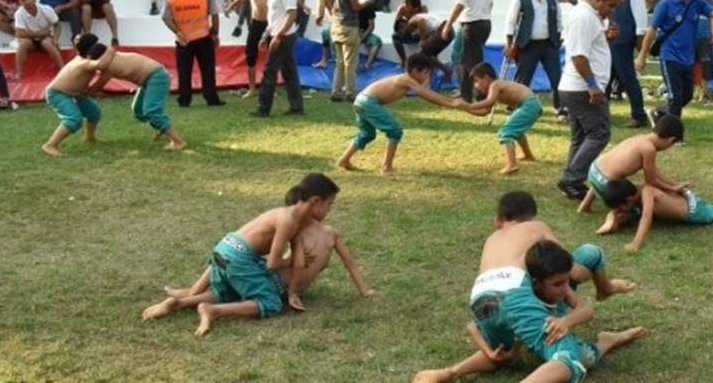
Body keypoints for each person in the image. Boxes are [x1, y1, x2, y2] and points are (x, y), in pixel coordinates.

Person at [413, 232, 642, 383]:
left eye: (566, 282)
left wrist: (565, 321)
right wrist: (486, 350)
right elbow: (472, 326)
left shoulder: (560, 287)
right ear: (534, 283)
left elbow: (585, 309)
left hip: (551, 324)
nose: (564, 289)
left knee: (583, 356)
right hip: (535, 327)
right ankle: (450, 372)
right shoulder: (522, 296)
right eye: (557, 284)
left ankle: (606, 341)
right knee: (502, 356)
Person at [140, 174, 343, 335]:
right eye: (330, 204)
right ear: (316, 201)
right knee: (271, 303)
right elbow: (272, 264)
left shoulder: (280, 212)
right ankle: (212, 311)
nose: (330, 209)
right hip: (239, 258)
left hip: (224, 248)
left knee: (227, 293)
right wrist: (288, 261)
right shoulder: (289, 221)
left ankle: (179, 303)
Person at [336, 53, 462, 175]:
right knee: (395, 131)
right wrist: (451, 104)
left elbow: (428, 93)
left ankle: (344, 160)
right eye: (425, 73)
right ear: (414, 71)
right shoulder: (406, 79)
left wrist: (451, 102)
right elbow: (426, 94)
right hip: (368, 102)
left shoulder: (408, 79)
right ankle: (386, 167)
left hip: (361, 100)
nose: (427, 76)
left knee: (367, 134)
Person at [554, 0, 622, 200]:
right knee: (599, 133)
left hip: (576, 86)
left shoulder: (589, 17)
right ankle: (571, 178)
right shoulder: (584, 17)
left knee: (581, 136)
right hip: (582, 87)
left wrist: (607, 38)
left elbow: (589, 49)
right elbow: (578, 56)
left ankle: (572, 180)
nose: (610, 12)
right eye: (610, 6)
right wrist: (593, 85)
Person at [458, 63, 541, 175]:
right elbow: (485, 112)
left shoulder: (495, 85)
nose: (476, 86)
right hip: (531, 104)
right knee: (516, 130)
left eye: (476, 81)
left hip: (529, 104)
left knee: (506, 132)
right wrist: (465, 109)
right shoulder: (494, 89)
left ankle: (512, 164)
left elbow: (489, 102)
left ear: (486, 77)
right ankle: (528, 155)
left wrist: (469, 105)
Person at [162, 0, 224, 108]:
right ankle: (211, 98)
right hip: (204, 37)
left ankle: (184, 99)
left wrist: (177, 31)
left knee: (184, 71)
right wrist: (215, 34)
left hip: (184, 40)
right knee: (207, 70)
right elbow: (214, 15)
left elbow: (165, 17)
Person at [40, 34, 106, 157]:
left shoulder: (85, 60)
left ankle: (89, 138)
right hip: (57, 93)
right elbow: (101, 65)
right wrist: (111, 51)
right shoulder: (84, 63)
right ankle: (50, 145)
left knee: (93, 113)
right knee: (73, 119)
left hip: (75, 94)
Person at [254, 0, 304, 117]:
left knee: (270, 71)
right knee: (289, 71)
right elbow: (274, 18)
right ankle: (296, 106)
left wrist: (278, 36)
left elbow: (292, 15)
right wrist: (266, 35)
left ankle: (264, 108)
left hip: (284, 36)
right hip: (282, 34)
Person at [442, 0, 493, 102]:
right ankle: (472, 94)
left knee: (469, 63)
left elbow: (459, 5)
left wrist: (448, 25)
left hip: (472, 23)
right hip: (485, 22)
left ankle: (478, 94)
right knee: (473, 61)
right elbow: (491, 3)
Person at [13, 0, 66, 82]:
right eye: (23, 0)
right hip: (30, 40)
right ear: (20, 2)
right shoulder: (19, 13)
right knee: (22, 44)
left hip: (45, 38)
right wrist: (39, 33)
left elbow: (57, 25)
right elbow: (19, 33)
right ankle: (19, 73)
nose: (26, 2)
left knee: (48, 44)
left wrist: (56, 40)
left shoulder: (46, 9)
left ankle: (63, 69)